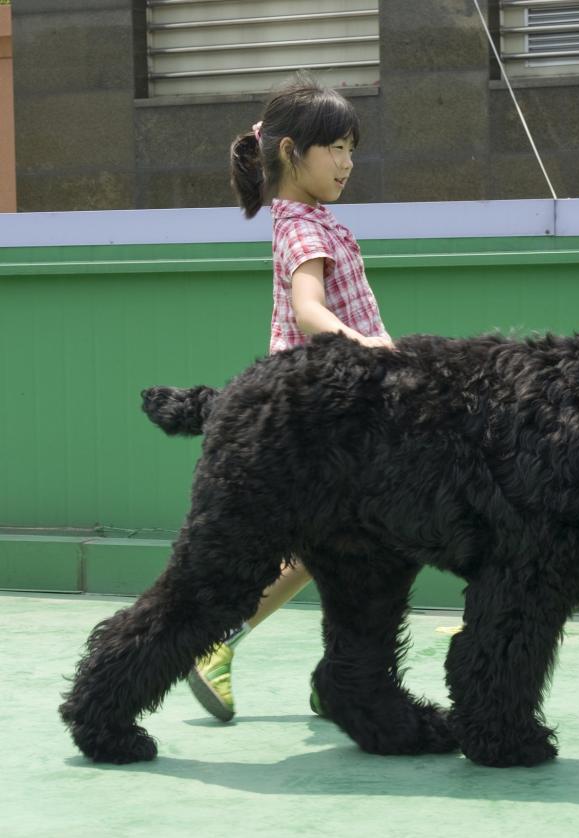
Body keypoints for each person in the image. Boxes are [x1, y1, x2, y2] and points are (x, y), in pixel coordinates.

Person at [186, 77, 393, 722]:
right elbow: (309, 310)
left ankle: (338, 676)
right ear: (290, 152)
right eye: (334, 148)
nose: (347, 162)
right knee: (337, 539)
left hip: (322, 401)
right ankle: (219, 641)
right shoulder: (303, 228)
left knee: (343, 540)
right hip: (319, 409)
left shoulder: (311, 219)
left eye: (351, 148)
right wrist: (369, 346)